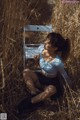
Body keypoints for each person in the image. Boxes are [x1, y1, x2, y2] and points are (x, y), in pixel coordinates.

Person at [23, 32, 72, 104]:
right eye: (46, 39)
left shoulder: (57, 62)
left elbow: (65, 76)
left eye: (48, 42)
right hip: (40, 78)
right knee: (26, 71)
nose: (45, 42)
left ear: (55, 48)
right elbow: (38, 66)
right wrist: (36, 61)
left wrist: (71, 88)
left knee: (51, 90)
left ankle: (31, 101)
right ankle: (34, 92)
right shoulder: (41, 49)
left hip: (51, 82)